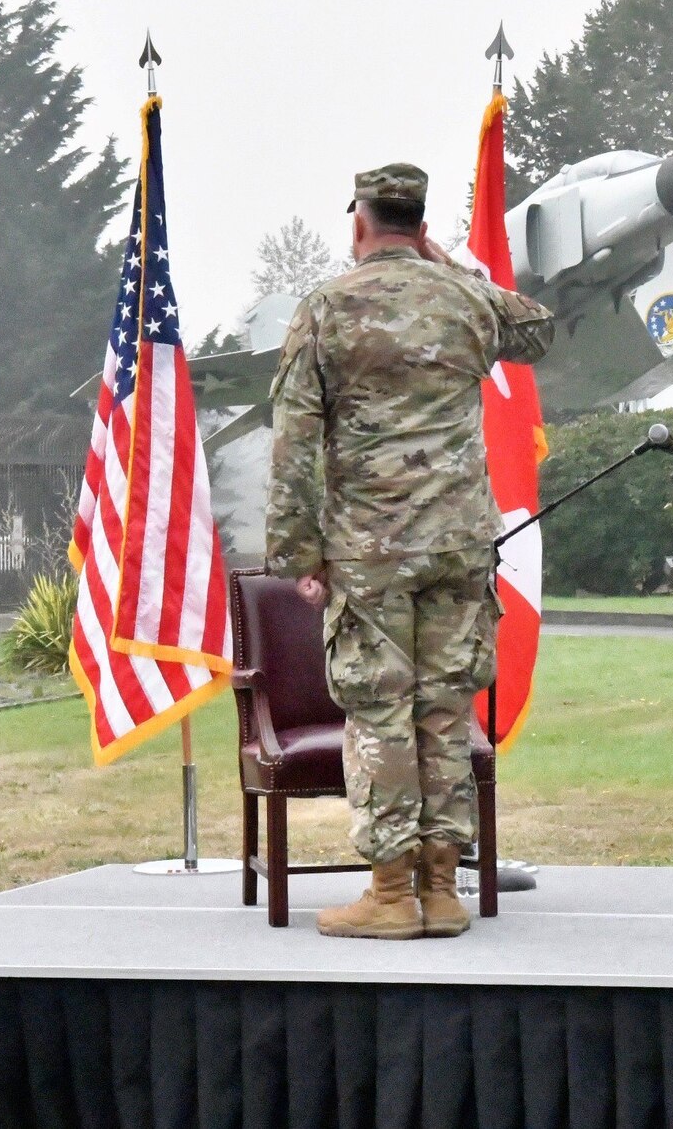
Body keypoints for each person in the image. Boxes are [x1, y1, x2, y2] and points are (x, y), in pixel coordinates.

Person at [267, 162, 555, 939]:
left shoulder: (327, 308)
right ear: (420, 226)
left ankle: (392, 893)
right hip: (460, 546)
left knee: (380, 707)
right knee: (443, 709)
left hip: (372, 550)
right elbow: (538, 325)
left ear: (359, 223)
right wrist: (449, 265)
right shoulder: (464, 298)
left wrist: (299, 553)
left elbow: (293, 441)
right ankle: (443, 888)